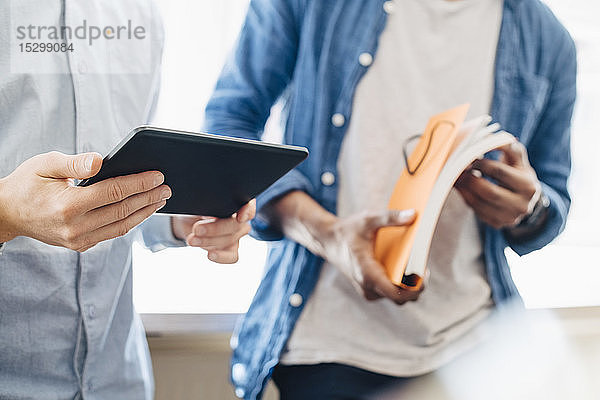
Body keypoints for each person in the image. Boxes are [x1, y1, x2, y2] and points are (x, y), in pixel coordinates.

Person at [203, 0, 576, 399]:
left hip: (478, 347)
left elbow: (552, 197)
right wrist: (327, 234)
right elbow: (229, 129)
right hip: (328, 346)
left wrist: (529, 207)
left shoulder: (548, 38)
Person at [0, 1, 255, 399]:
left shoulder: (140, 14)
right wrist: (6, 215)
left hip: (119, 381)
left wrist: (175, 209)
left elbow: (113, 180)